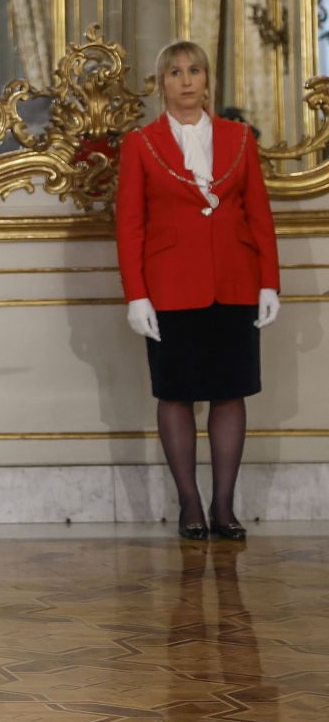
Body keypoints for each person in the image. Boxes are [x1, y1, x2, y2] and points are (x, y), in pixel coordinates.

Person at [116, 40, 279, 541]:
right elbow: (130, 226)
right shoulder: (139, 145)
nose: (186, 80)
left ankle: (224, 507)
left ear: (207, 79)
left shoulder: (240, 138)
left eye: (195, 70)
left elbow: (259, 215)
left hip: (235, 285)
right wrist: (136, 294)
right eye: (175, 72)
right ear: (161, 83)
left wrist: (269, 281)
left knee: (231, 394)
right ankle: (190, 506)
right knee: (176, 395)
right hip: (169, 291)